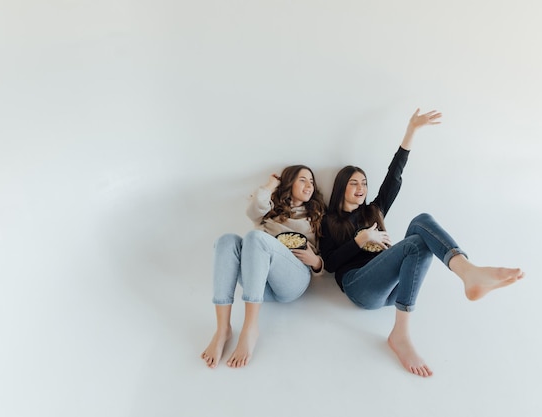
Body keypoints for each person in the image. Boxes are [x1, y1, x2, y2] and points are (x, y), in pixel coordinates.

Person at [319, 109, 525, 377]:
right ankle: (401, 335)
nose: (361, 187)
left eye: (364, 183)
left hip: (394, 290)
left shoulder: (374, 211)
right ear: (341, 188)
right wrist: (361, 240)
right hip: (360, 287)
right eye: (353, 183)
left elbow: (394, 176)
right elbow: (330, 265)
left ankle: (467, 270)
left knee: (422, 222)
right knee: (415, 244)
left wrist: (411, 130)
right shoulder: (329, 221)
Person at [201, 165, 326, 368]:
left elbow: (330, 256)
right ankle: (222, 329)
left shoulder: (317, 215)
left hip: (294, 279)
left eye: (312, 181)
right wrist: (271, 184)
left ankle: (250, 328)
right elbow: (253, 208)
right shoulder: (269, 210)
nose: (309, 185)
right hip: (258, 283)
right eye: (303, 180)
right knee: (226, 240)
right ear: (289, 183)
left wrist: (317, 263)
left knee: (255, 237)